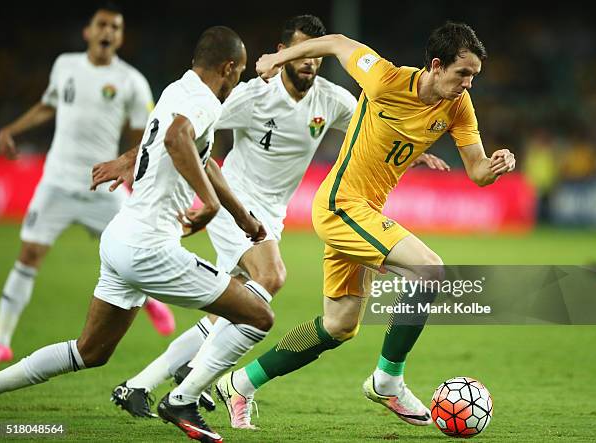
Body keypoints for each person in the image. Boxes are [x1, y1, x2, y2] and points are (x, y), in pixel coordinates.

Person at [91, 15, 449, 422]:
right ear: (283, 54)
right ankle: (193, 379)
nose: (310, 63)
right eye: (302, 53)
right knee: (271, 277)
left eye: (316, 56)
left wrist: (413, 150)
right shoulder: (252, 95)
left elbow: (376, 127)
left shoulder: (331, 100)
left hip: (272, 215)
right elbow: (181, 128)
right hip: (236, 204)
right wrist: (128, 158)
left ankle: (140, 384)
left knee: (235, 307)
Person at [214, 21, 516, 429]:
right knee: (429, 269)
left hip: (363, 215)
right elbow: (337, 43)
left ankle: (241, 382)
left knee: (338, 326)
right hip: (341, 205)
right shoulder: (385, 78)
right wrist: (277, 57)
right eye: (463, 73)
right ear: (437, 65)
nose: (468, 84)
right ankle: (388, 381)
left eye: (474, 76)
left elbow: (477, 172)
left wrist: (497, 165)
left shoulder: (458, 106)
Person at [0, 26, 275, 443]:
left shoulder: (177, 88)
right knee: (258, 316)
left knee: (89, 351)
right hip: (151, 249)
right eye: (237, 73)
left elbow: (201, 158)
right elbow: (177, 137)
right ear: (229, 67)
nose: (237, 81)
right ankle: (183, 399)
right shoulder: (202, 101)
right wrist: (210, 205)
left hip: (121, 238)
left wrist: (243, 218)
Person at [0, 4, 174, 364]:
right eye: (102, 25)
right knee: (29, 255)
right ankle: (1, 338)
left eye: (115, 27)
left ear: (121, 37)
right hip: (56, 182)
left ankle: (153, 301)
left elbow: (146, 134)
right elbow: (49, 105)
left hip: (102, 185)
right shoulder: (65, 66)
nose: (108, 31)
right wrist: (12, 130)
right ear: (88, 32)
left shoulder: (131, 81)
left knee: (137, 249)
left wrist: (127, 165)